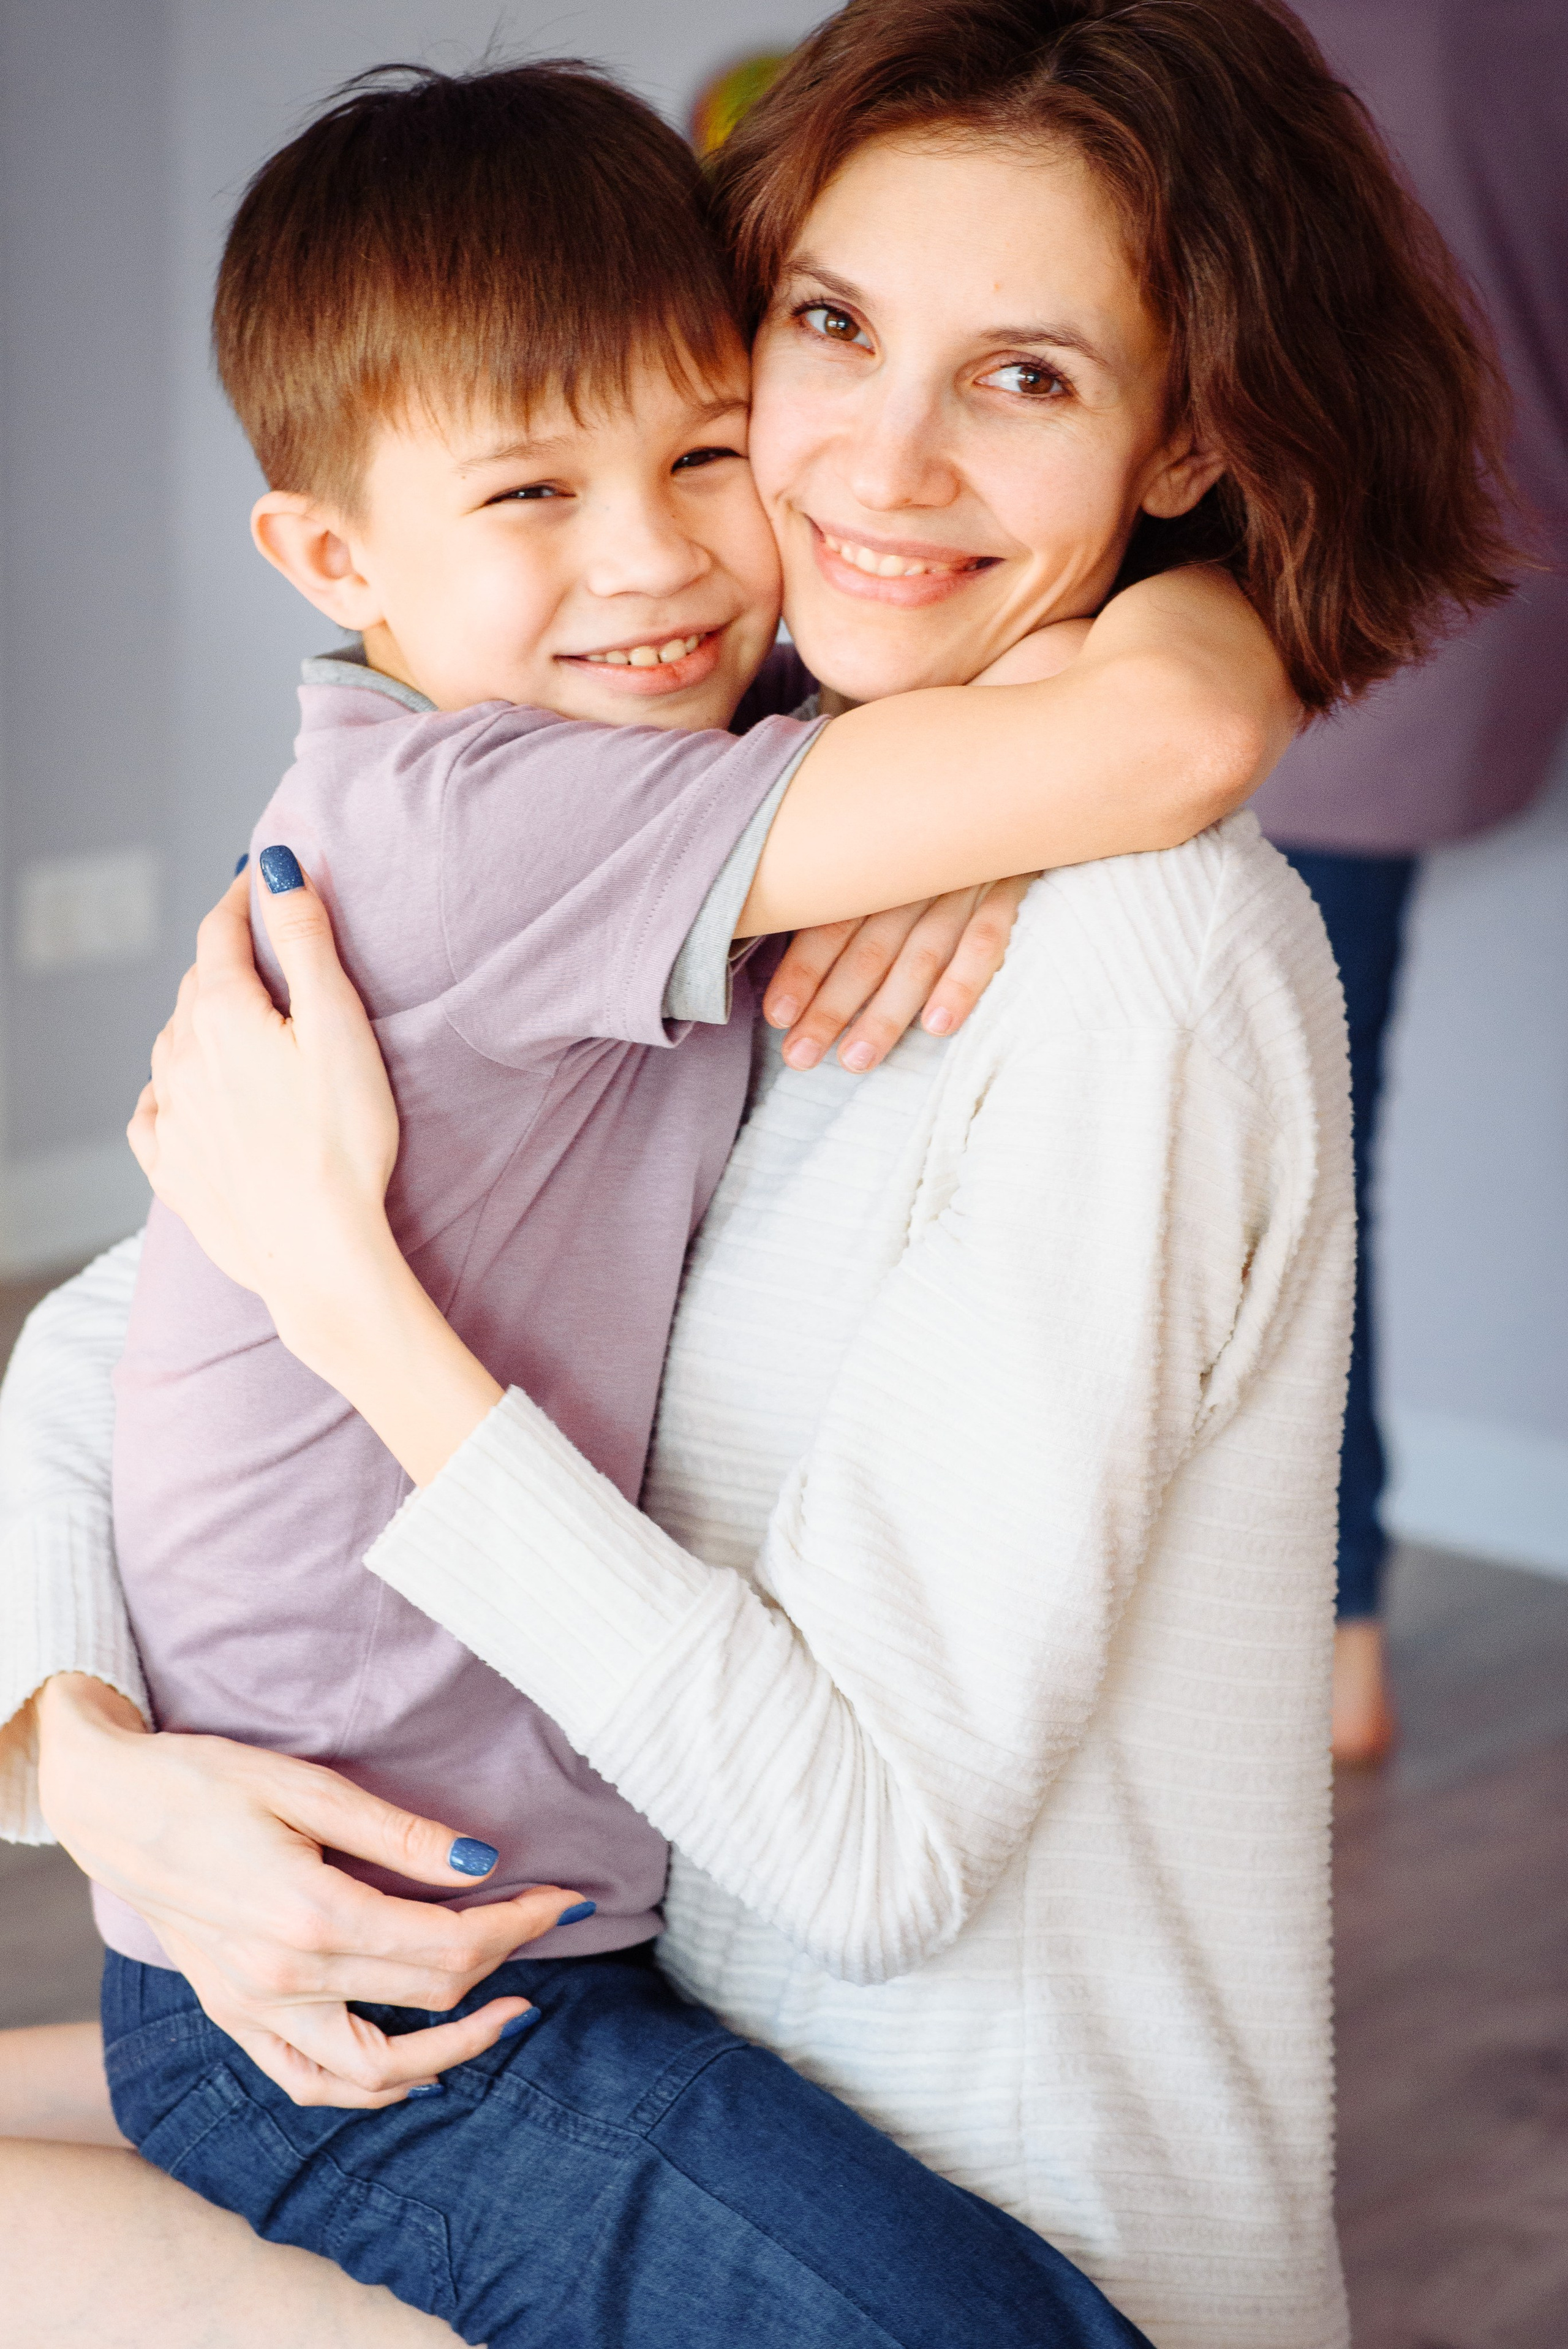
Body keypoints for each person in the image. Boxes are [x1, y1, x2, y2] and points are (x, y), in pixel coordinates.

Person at [0, 2, 1513, 2343]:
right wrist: (97, 1769)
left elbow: (864, 1858)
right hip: (604, 2046)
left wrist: (355, 1308)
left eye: (1024, 376)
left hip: (1012, 2239)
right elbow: (122, 1327)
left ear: (1183, 432)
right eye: (827, 326)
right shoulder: (733, 803)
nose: (876, 465)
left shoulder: (1132, 951)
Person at [1250, 0, 1568, 1766]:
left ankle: (1337, 1614)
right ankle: (1335, 1610)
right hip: (1486, 607)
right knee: (1315, 1122)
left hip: (1344, 608)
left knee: (1293, 1144)